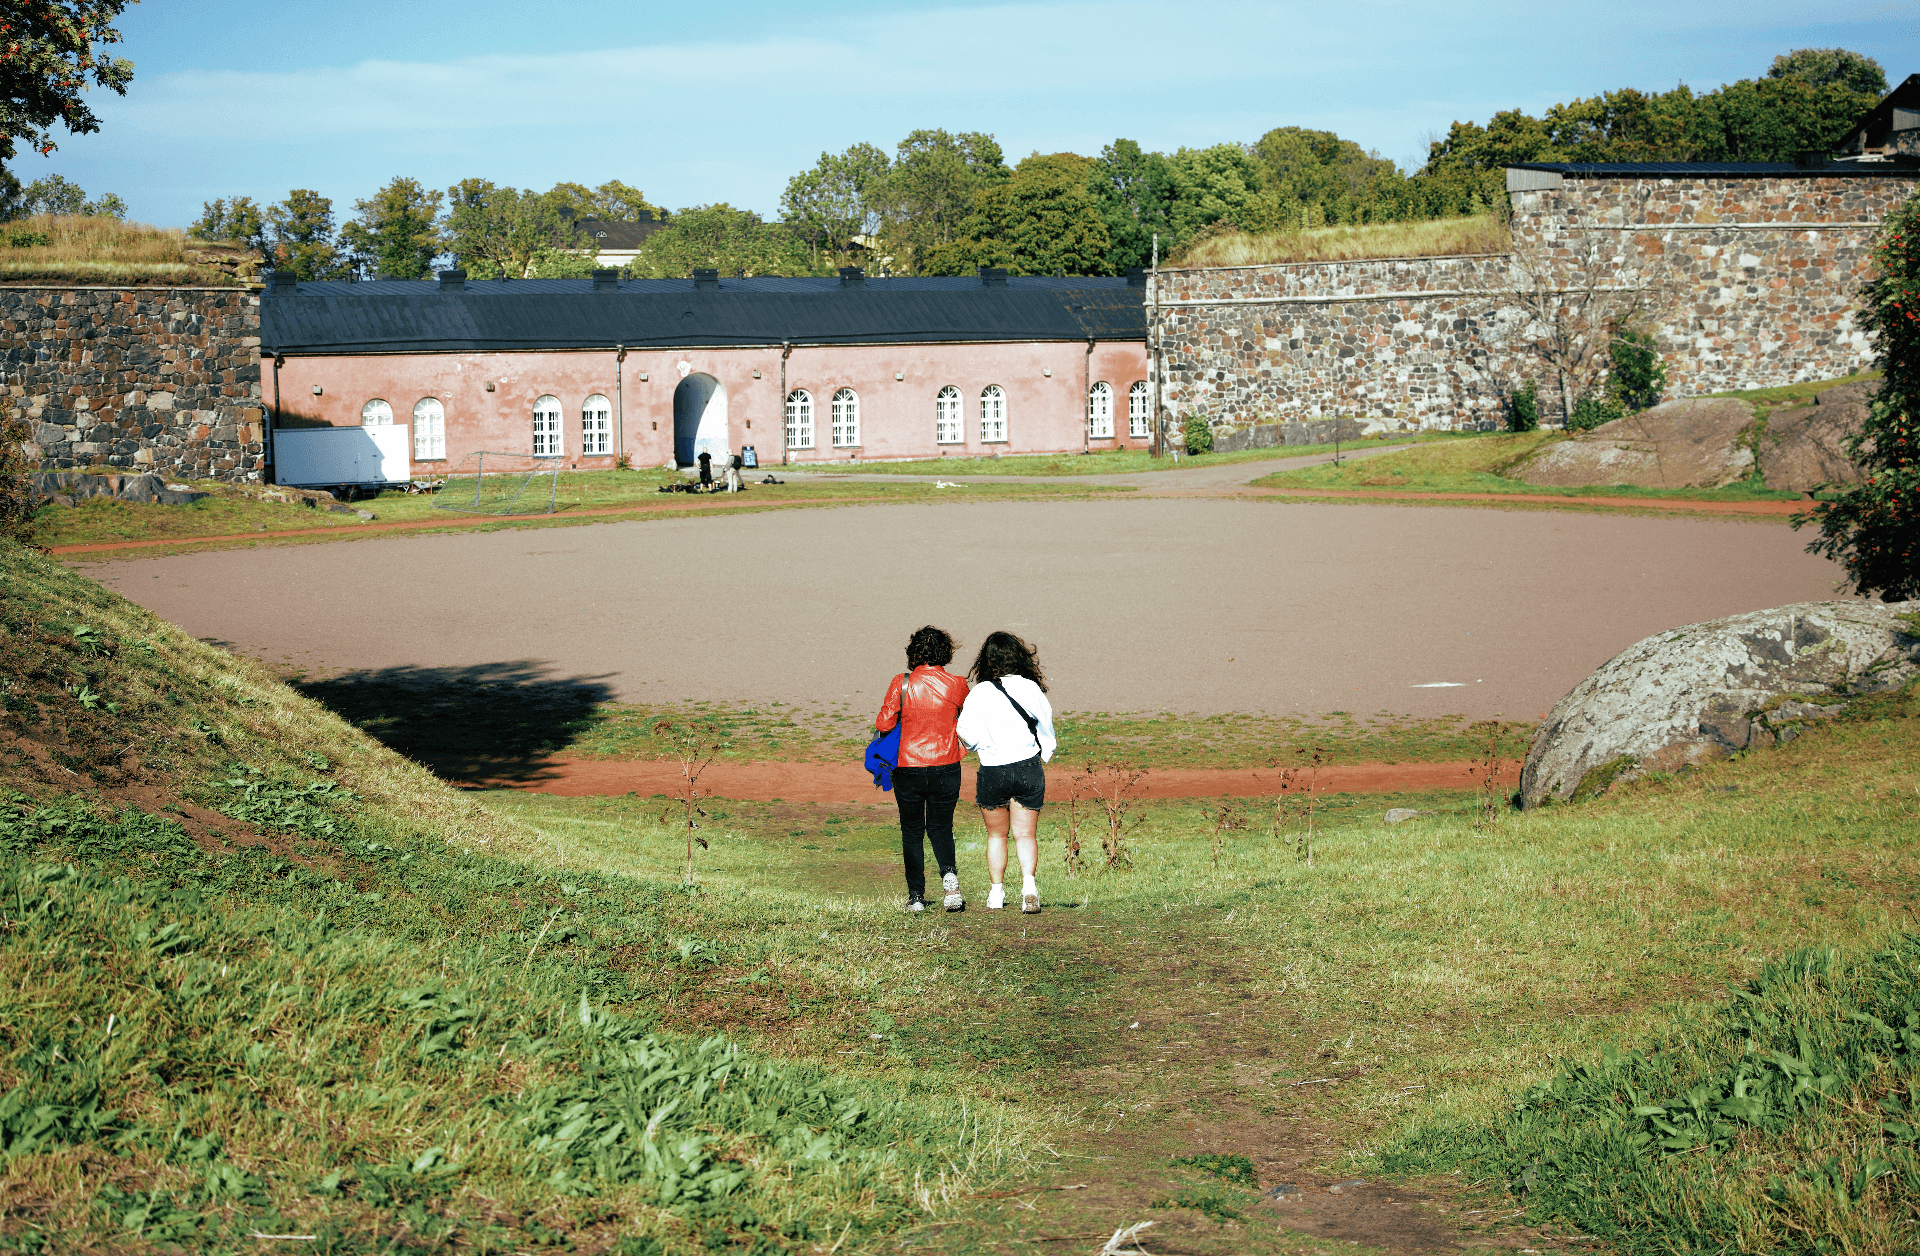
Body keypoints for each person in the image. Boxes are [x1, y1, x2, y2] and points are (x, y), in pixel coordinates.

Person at [873, 626, 972, 913]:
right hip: (946, 765)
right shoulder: (957, 684)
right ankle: (950, 879)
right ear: (946, 652)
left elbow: (884, 724)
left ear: (913, 651)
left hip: (908, 767)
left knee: (912, 832)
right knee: (942, 827)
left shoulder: (901, 683)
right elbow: (968, 720)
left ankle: (916, 896)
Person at [956, 631, 1056, 914]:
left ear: (986, 660)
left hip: (992, 770)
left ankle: (997, 894)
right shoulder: (1030, 688)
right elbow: (1046, 726)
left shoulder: (980, 692)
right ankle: (1029, 888)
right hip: (1028, 766)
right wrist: (1044, 754)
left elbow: (964, 731)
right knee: (1025, 835)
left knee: (996, 836)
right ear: (1019, 656)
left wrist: (979, 746)